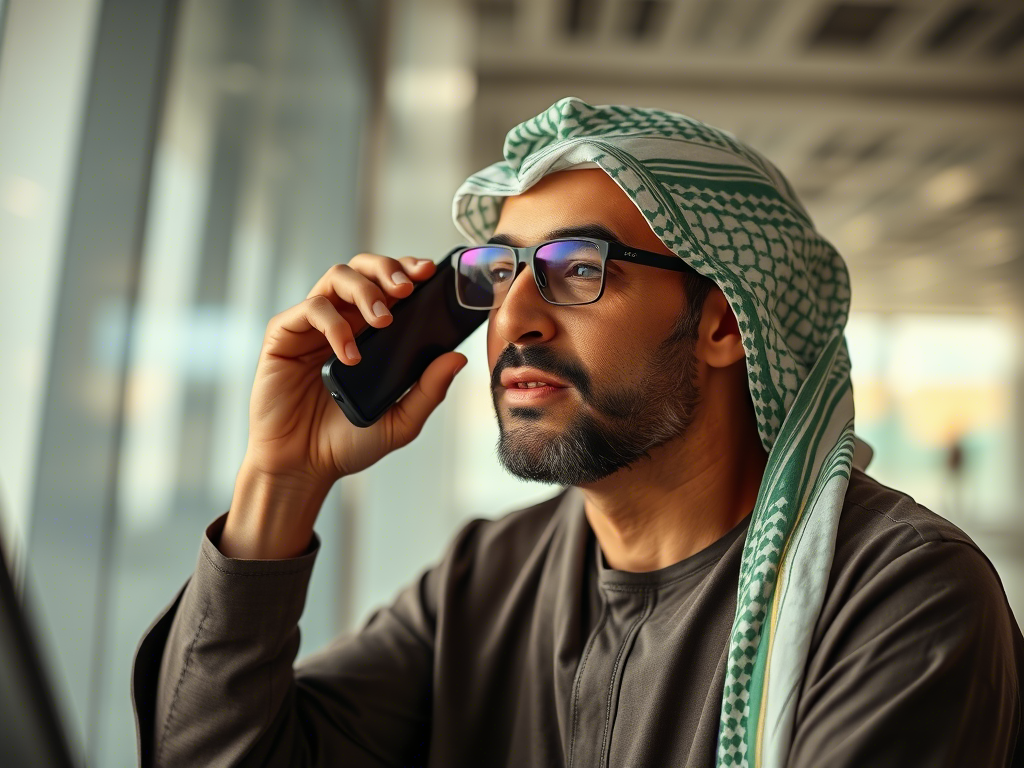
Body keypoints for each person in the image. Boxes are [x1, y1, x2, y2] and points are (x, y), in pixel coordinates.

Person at [131, 98, 1024, 768]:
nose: (513, 317)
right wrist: (281, 482)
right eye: (499, 270)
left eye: (576, 267)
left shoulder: (898, 598)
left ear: (722, 323)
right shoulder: (486, 581)